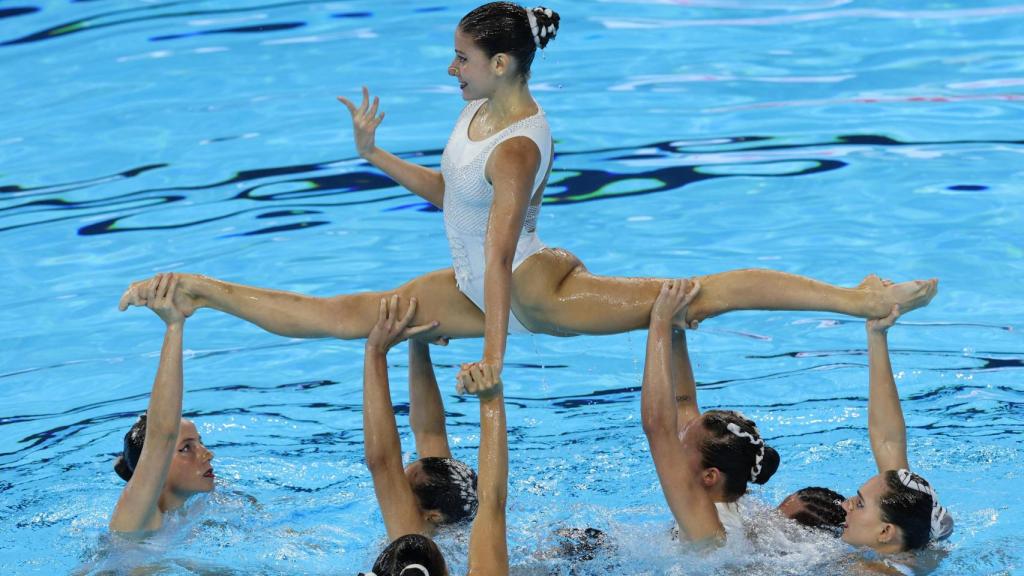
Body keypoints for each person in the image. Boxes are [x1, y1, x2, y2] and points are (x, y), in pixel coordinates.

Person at [117, 1, 938, 393]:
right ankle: (197, 290)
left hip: (533, 294)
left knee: (695, 298)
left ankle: (858, 298)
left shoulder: (516, 148)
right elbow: (449, 194)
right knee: (349, 317)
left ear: (502, 64)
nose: (452, 70)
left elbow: (503, 251)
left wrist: (496, 356)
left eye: (463, 58)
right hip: (480, 284)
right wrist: (375, 156)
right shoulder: (478, 113)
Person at [361, 295, 510, 575]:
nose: (396, 488)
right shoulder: (451, 530)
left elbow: (383, 461)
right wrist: (417, 341)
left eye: (403, 489)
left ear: (432, 516)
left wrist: (378, 349)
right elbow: (492, 498)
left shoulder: (413, 532)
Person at [640, 279, 780, 544]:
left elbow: (657, 426)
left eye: (682, 444)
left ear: (709, 476)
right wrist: (676, 330)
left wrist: (658, 321)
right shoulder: (724, 499)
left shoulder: (706, 523)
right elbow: (683, 402)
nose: (675, 440)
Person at [839, 283, 953, 563]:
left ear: (885, 531)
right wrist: (877, 334)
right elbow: (887, 439)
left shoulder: (867, 571)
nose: (844, 505)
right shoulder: (912, 535)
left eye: (859, 503)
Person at [109, 273, 216, 533]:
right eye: (185, 448)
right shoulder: (138, 517)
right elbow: (163, 434)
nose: (207, 454)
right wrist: (174, 326)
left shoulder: (192, 511)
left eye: (199, 442)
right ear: (156, 466)